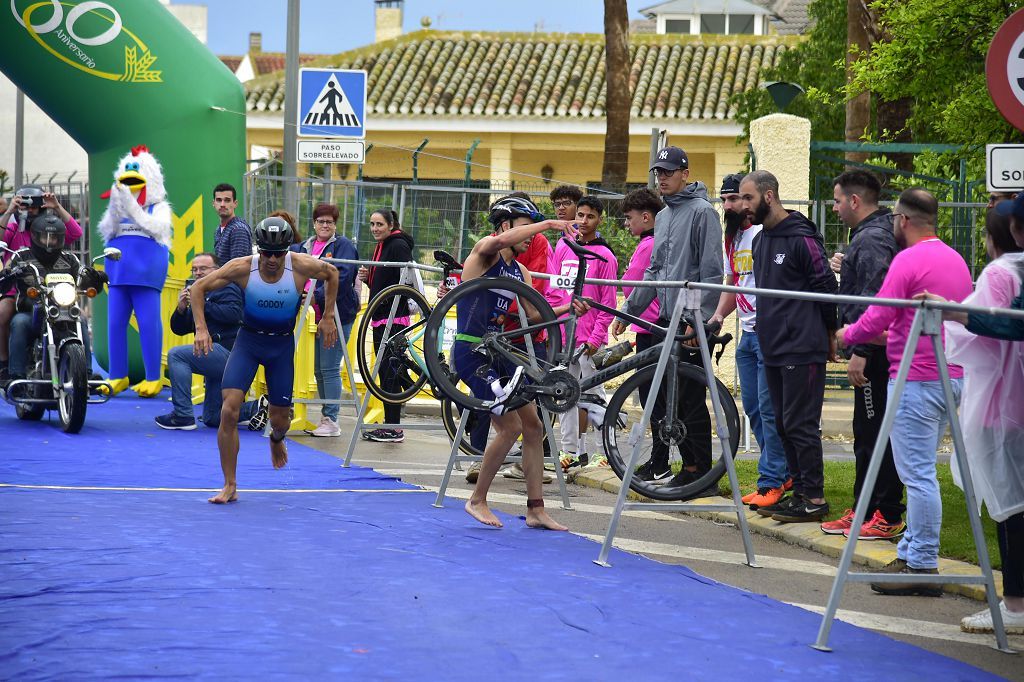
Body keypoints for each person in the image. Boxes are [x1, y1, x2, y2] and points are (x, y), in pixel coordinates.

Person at [836, 188, 972, 596]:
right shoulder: (955, 258)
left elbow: (880, 311)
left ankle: (923, 564)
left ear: (903, 220)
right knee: (920, 468)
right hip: (950, 372)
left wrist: (848, 335)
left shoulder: (908, 259)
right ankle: (913, 550)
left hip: (916, 376)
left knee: (917, 474)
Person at [917, 198, 1024, 632]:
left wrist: (951, 312)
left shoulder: (1002, 273)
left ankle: (1015, 605)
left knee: (1010, 507)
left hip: (1004, 407)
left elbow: (989, 332)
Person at [191, 216, 339, 505]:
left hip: (280, 346)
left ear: (287, 250)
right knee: (229, 411)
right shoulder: (244, 267)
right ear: (259, 249)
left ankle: (276, 440)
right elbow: (198, 289)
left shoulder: (299, 265)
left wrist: (328, 315)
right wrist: (201, 328)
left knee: (280, 420)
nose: (272, 260)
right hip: (249, 342)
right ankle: (230, 484)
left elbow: (332, 273)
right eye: (267, 253)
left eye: (278, 253)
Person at [453, 195, 575, 530]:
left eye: (535, 230)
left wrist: (569, 309)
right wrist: (551, 223)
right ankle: (477, 500)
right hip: (471, 351)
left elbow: (532, 314)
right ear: (506, 225)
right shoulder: (484, 252)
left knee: (533, 427)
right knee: (510, 428)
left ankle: (536, 509)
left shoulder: (520, 269)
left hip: (500, 352)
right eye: (527, 229)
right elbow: (500, 241)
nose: (533, 237)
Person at [611, 146, 723, 491]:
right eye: (658, 172)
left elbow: (711, 272)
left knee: (690, 398)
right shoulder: (663, 216)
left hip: (689, 322)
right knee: (667, 399)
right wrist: (628, 311)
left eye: (669, 172)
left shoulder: (703, 212)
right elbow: (655, 271)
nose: (662, 178)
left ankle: (701, 474)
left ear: (685, 174)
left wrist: (697, 319)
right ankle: (687, 468)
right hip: (663, 321)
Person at [739, 170, 838, 524]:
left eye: (748, 198)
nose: (743, 206)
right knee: (780, 423)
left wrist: (830, 333)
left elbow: (826, 287)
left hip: (803, 346)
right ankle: (798, 492)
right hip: (773, 347)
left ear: (768, 196)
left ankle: (814, 497)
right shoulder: (761, 240)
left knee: (800, 424)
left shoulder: (802, 238)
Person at [822, 170, 906, 540]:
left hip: (874, 353)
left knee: (874, 434)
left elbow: (876, 302)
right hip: (871, 348)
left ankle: (885, 512)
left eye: (838, 201)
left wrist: (859, 350)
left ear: (855, 201)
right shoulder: (871, 236)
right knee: (866, 432)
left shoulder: (873, 239)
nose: (836, 208)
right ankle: (865, 507)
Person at [707, 173, 790, 507]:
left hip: (770, 335)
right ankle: (780, 474)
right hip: (747, 335)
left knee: (770, 411)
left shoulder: (761, 233)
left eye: (736, 198)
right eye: (725, 199)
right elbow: (733, 281)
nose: (730, 205)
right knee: (754, 409)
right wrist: (716, 318)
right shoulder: (733, 237)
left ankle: (772, 481)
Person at [155, 253, 268, 431]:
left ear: (217, 270)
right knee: (213, 417)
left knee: (176, 356)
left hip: (230, 353)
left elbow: (234, 314)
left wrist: (201, 302)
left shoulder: (227, 287)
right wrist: (182, 308)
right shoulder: (198, 290)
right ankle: (255, 408)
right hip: (213, 355)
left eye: (203, 268)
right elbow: (179, 328)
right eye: (195, 269)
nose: (198, 273)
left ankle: (182, 415)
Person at [545, 196, 618, 468]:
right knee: (564, 394)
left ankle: (604, 452)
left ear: (599, 220)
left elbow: (607, 304)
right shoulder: (563, 246)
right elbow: (553, 291)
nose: (584, 222)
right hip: (563, 336)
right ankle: (570, 452)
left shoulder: (606, 256)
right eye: (581, 216)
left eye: (590, 217)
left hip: (588, 341)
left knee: (596, 396)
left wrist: (596, 339)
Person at [1, 214, 105, 386]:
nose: (50, 241)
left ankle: (85, 373)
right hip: (32, 310)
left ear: (62, 239)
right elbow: (6, 277)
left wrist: (94, 277)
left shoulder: (69, 258)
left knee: (82, 321)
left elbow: (82, 275)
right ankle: (15, 375)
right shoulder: (21, 256)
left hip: (63, 310)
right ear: (35, 236)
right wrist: (7, 274)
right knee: (18, 323)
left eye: (55, 238)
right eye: (46, 236)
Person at [0, 186, 83, 381]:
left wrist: (56, 206)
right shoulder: (14, 228)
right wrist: (10, 211)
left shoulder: (52, 228)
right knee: (7, 314)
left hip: (54, 293)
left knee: (80, 319)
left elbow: (76, 233)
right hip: (20, 289)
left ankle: (83, 372)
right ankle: (6, 364)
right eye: (25, 206)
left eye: (34, 206)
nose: (29, 210)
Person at [292, 203, 359, 437]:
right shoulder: (304, 246)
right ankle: (326, 417)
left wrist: (314, 296)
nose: (325, 225)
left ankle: (332, 420)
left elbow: (341, 276)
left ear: (335, 224)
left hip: (336, 314)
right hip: (311, 315)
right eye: (321, 221)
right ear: (313, 223)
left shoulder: (344, 246)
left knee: (329, 368)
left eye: (329, 221)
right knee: (319, 370)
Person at [617, 188, 669, 481]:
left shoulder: (649, 246)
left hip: (652, 329)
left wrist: (624, 315)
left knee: (655, 399)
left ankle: (660, 462)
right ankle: (658, 459)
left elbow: (638, 287)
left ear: (646, 217)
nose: (626, 224)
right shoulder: (647, 244)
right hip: (646, 329)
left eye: (629, 218)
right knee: (651, 398)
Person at [356, 209, 414, 443]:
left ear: (391, 225)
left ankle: (394, 427)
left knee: (389, 373)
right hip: (382, 314)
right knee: (387, 371)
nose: (375, 229)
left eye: (379, 224)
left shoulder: (397, 245)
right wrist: (369, 276)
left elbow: (402, 280)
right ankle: (407, 388)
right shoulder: (384, 245)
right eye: (372, 224)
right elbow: (384, 281)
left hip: (393, 317)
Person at [212, 183, 253, 264]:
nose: (222, 204)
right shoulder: (218, 229)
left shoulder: (238, 229)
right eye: (219, 200)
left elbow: (237, 269)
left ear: (235, 203)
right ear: (213, 203)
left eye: (227, 200)